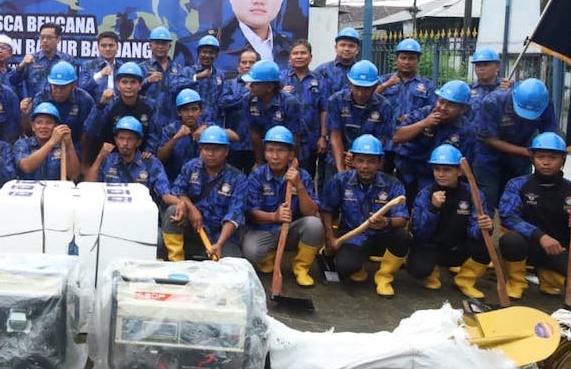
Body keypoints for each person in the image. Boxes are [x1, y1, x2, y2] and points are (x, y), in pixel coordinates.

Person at [498, 132, 571, 300]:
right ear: (532, 158)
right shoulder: (517, 184)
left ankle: (548, 276)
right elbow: (508, 216)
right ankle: (516, 282)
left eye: (553, 157)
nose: (546, 162)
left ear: (563, 159)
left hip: (559, 250)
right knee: (510, 239)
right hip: (527, 245)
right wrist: (540, 236)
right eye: (540, 157)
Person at [320, 134, 410, 297]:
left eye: (371, 161)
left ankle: (384, 277)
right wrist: (329, 237)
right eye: (360, 161)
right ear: (352, 161)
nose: (365, 166)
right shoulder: (340, 181)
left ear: (380, 163)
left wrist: (386, 222)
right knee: (345, 267)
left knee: (402, 237)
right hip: (352, 237)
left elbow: (402, 219)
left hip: (382, 237)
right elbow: (327, 209)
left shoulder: (393, 184)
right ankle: (358, 266)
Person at [406, 145, 493, 298]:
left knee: (485, 245)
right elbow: (419, 233)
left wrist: (484, 226)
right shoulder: (425, 194)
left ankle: (464, 280)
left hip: (458, 247)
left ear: (459, 171)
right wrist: (433, 209)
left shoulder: (473, 193)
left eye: (447, 170)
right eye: (437, 169)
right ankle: (432, 271)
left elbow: (474, 231)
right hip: (431, 246)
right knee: (418, 269)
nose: (441, 174)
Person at [243, 126, 322, 284]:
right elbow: (252, 213)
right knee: (251, 252)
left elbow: (311, 212)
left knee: (315, 225)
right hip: (263, 230)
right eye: (270, 150)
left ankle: (301, 268)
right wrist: (275, 216)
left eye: (280, 151)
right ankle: (268, 256)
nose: (275, 156)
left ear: (291, 154)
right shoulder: (257, 176)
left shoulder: (302, 175)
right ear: (264, 153)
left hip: (291, 229)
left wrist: (298, 185)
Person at [161, 126, 248, 261]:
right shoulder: (191, 167)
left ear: (226, 151)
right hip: (194, 229)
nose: (210, 153)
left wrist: (219, 244)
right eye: (206, 149)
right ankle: (175, 261)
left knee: (231, 264)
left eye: (216, 149)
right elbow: (179, 191)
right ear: (201, 149)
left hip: (221, 236)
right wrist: (191, 209)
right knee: (173, 210)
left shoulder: (238, 178)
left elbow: (235, 214)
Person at [472, 78, 557, 211]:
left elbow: (548, 135)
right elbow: (489, 139)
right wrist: (527, 152)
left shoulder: (544, 103)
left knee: (518, 200)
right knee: (487, 198)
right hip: (489, 157)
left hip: (520, 161)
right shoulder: (492, 102)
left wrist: (542, 154)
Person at [392, 79, 474, 204]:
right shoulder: (424, 113)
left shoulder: (466, 130)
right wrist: (424, 124)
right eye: (441, 101)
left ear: (462, 109)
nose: (443, 108)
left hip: (439, 178)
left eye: (450, 105)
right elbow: (396, 137)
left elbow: (463, 167)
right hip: (408, 172)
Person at [325, 60, 395, 181]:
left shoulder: (384, 106)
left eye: (366, 88)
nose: (361, 93)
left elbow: (383, 139)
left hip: (370, 162)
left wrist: (359, 158)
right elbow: (335, 136)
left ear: (375, 86)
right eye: (357, 87)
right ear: (349, 84)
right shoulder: (336, 101)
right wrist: (341, 171)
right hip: (338, 158)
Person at [84, 116, 172, 209]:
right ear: (116, 140)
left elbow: (165, 194)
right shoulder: (107, 160)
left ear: (138, 142)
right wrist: (100, 157)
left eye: (130, 139)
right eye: (121, 138)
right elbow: (88, 188)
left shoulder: (151, 163)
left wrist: (180, 203)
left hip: (141, 212)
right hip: (111, 211)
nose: (125, 143)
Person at [83, 62, 156, 161]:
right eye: (124, 82)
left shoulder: (150, 105)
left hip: (142, 158)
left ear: (140, 85)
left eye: (133, 82)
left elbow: (155, 133)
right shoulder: (109, 105)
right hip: (111, 158)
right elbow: (90, 130)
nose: (129, 86)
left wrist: (149, 150)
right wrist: (100, 105)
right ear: (118, 85)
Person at [280, 39, 327, 182]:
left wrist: (323, 137)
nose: (299, 56)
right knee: (282, 178)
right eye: (295, 53)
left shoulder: (320, 81)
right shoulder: (280, 79)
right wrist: (280, 93)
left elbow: (324, 109)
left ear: (310, 57)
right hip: (284, 139)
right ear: (290, 58)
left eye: (303, 53)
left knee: (307, 177)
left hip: (311, 139)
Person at [244, 59, 303, 166]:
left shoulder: (289, 103)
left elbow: (295, 136)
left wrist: (292, 163)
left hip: (287, 152)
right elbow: (254, 133)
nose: (249, 86)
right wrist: (259, 162)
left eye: (255, 84)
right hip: (265, 152)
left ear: (269, 87)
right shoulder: (249, 100)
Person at [155, 88, 218, 183]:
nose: (190, 114)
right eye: (185, 110)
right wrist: (176, 138)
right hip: (174, 181)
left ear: (200, 111)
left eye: (194, 109)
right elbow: (160, 158)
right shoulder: (170, 130)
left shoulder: (209, 127)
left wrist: (206, 129)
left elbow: (234, 136)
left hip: (203, 181)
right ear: (179, 112)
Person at [26, 61, 94, 148]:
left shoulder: (84, 100)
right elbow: (31, 131)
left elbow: (88, 134)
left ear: (73, 85)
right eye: (55, 86)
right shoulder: (41, 98)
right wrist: (25, 116)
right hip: (45, 145)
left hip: (75, 145)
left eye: (63, 87)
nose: (58, 91)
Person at [15, 102, 80, 180]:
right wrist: (52, 142)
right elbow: (26, 167)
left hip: (55, 187)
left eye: (49, 123)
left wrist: (69, 144)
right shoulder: (22, 144)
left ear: (56, 126)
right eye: (39, 123)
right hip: (28, 187)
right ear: (33, 126)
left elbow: (74, 175)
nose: (43, 126)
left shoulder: (62, 145)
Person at [374, 39, 436, 121]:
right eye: (403, 58)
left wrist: (413, 117)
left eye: (411, 58)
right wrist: (386, 85)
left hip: (414, 127)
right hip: (385, 126)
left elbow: (433, 110)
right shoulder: (383, 80)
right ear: (396, 59)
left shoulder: (427, 85)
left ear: (418, 61)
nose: (407, 62)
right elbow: (368, 98)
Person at [140, 26, 189, 129]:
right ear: (150, 46)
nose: (160, 46)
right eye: (157, 43)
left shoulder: (179, 69)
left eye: (164, 43)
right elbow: (132, 91)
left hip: (173, 123)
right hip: (148, 122)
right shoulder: (142, 68)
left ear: (169, 46)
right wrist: (148, 80)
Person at [14, 22, 76, 101]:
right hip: (35, 104)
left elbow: (72, 85)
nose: (44, 41)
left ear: (58, 39)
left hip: (59, 104)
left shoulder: (67, 60)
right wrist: (22, 65)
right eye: (42, 37)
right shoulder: (31, 59)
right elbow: (14, 81)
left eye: (49, 38)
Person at [222, 47, 259, 172]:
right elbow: (223, 102)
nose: (247, 65)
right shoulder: (229, 84)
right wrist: (246, 91)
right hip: (234, 143)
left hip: (256, 145)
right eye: (244, 62)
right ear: (239, 67)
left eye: (252, 62)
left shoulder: (264, 86)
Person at [182, 35, 229, 124]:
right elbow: (174, 87)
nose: (207, 55)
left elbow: (223, 100)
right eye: (204, 52)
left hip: (213, 125)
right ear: (198, 53)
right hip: (192, 125)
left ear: (216, 55)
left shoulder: (220, 75)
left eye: (211, 52)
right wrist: (196, 77)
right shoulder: (187, 71)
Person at [313, 27, 360, 99]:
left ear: (357, 50)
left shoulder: (362, 71)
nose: (346, 49)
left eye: (351, 46)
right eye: (343, 45)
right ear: (336, 48)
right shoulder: (323, 70)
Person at [79, 31, 123, 103]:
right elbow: (81, 90)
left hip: (118, 107)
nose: (107, 49)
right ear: (98, 47)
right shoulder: (88, 65)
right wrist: (99, 75)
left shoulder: (122, 67)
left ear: (117, 47)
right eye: (103, 46)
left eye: (111, 45)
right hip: (95, 107)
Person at [468, 47, 510, 115]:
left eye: (485, 65)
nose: (481, 69)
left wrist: (509, 91)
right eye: (478, 65)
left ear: (497, 67)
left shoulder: (508, 87)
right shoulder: (468, 90)